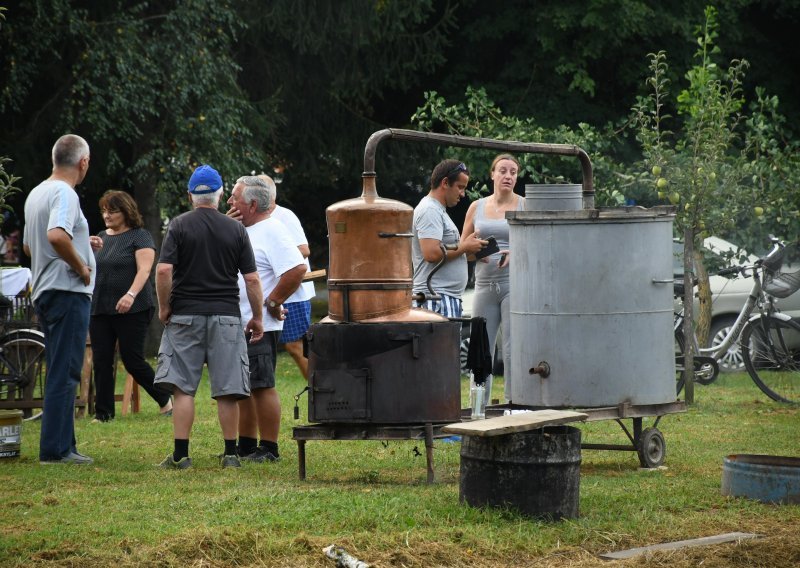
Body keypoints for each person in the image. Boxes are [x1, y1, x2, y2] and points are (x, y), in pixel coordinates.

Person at [154, 164, 264, 470]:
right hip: (227, 317)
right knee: (228, 390)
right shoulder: (237, 229)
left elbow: (163, 271)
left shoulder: (178, 226)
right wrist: (257, 317)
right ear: (219, 194)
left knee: (183, 388)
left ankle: (181, 455)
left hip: (185, 315)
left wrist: (164, 307)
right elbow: (252, 280)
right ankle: (230, 454)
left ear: (190, 195)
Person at [23, 134, 95, 465]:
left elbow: (29, 246)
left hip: (45, 290)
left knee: (59, 365)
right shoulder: (65, 193)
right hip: (67, 292)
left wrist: (80, 247)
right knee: (66, 370)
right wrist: (80, 266)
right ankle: (55, 450)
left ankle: (67, 443)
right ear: (83, 162)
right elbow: (56, 235)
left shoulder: (38, 192)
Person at [227, 176, 306, 462]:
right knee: (242, 386)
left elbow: (297, 268)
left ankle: (269, 448)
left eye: (234, 198)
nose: (229, 202)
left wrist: (273, 301)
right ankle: (247, 445)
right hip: (239, 321)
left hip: (260, 324)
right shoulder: (244, 229)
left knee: (262, 385)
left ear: (251, 203)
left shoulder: (272, 229)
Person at [89, 190, 173, 422]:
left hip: (133, 308)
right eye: (104, 210)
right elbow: (88, 268)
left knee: (132, 360)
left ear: (126, 212)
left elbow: (145, 270)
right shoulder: (99, 237)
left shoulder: (140, 236)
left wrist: (130, 294)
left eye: (112, 211)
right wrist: (85, 247)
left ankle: (164, 398)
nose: (107, 215)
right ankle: (103, 413)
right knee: (102, 360)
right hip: (100, 307)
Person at [461, 154, 522, 401]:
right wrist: (475, 250)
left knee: (511, 348)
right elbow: (461, 248)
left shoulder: (525, 205)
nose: (508, 176)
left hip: (514, 284)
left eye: (514, 172)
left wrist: (515, 252)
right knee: (480, 346)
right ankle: (478, 408)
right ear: (492, 174)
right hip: (484, 285)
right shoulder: (476, 207)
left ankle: (513, 404)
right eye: (503, 171)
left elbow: (539, 247)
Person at [412, 159, 485, 317]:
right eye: (460, 187)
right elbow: (431, 253)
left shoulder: (438, 211)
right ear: (445, 182)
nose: (463, 194)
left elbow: (447, 252)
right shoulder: (429, 210)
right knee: (440, 343)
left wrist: (472, 251)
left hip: (443, 298)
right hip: (435, 299)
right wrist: (465, 247)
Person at [259, 175, 315, 381]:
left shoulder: (285, 216)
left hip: (293, 292)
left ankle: (320, 391)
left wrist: (274, 264)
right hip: (270, 290)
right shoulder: (256, 218)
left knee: (295, 345)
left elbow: (303, 249)